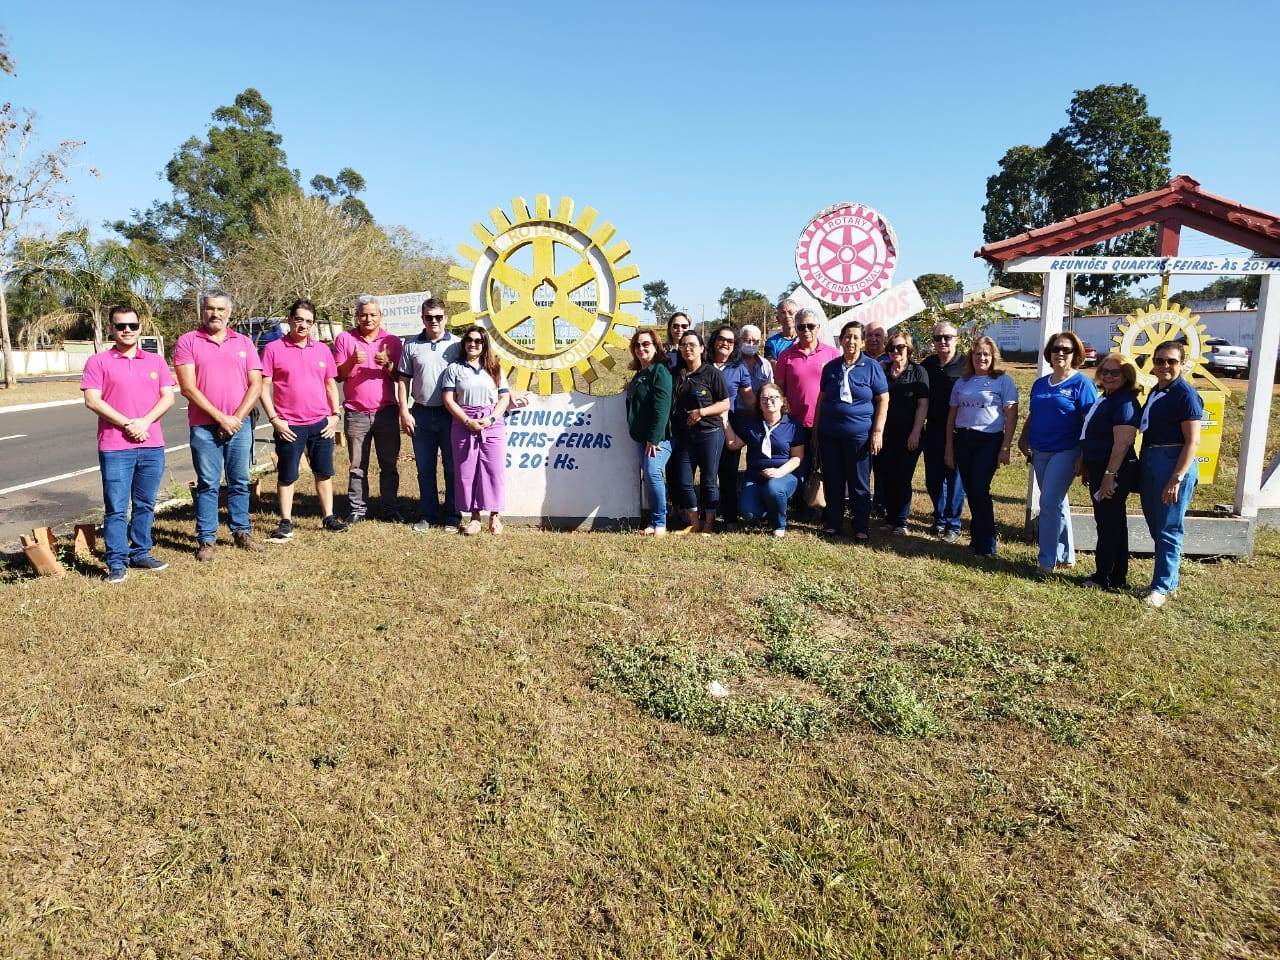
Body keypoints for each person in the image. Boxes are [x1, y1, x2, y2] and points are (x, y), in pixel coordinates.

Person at [80, 305, 177, 582]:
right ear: (111, 328)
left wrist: (144, 422)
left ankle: (141, 552)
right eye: (121, 326)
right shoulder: (98, 362)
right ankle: (117, 562)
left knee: (146, 503)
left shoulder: (155, 361)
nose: (127, 331)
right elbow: (92, 400)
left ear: (139, 328)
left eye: (132, 326)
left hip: (151, 444)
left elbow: (168, 397)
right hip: (115, 447)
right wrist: (128, 424)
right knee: (117, 507)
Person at [173, 290, 264, 560]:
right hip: (204, 427)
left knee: (239, 481)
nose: (215, 314)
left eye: (221, 309)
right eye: (210, 308)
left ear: (230, 313)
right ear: (202, 311)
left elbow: (256, 384)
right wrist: (221, 418)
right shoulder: (188, 342)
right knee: (208, 483)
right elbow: (188, 388)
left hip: (240, 425)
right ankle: (206, 540)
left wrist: (235, 419)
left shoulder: (244, 343)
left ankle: (241, 532)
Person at [259, 298, 347, 542]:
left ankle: (329, 517)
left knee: (324, 472)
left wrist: (335, 415)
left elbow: (331, 385)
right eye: (299, 319)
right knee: (287, 475)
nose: (303, 325)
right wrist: (275, 419)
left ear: (313, 324)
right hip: (289, 425)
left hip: (320, 423)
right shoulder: (273, 349)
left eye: (308, 321)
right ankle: (286, 522)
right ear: (289, 320)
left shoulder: (322, 350)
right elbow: (263, 387)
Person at [1018, 331, 1098, 575]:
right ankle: (1066, 555)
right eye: (1056, 349)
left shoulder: (1082, 383)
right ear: (1049, 353)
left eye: (1066, 349)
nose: (1060, 353)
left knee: (1049, 501)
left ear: (1075, 354)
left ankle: (1046, 561)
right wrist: (1023, 437)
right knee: (1057, 502)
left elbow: (1090, 422)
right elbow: (1035, 413)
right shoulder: (1041, 383)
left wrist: (1084, 456)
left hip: (1067, 450)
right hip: (1040, 450)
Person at [1137, 340, 1203, 608]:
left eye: (1171, 361)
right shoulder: (1156, 391)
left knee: (1169, 527)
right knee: (1155, 523)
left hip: (1173, 461)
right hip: (1151, 458)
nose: (1165, 365)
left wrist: (1176, 478)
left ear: (1182, 364)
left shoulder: (1185, 395)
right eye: (1160, 360)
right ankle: (1170, 580)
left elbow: (1193, 441)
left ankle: (1161, 587)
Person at [813, 320, 888, 541]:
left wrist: (878, 431)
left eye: (856, 337)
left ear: (862, 341)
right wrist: (816, 431)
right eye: (847, 336)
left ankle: (860, 525)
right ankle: (833, 522)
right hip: (829, 435)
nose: (851, 341)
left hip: (859, 436)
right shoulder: (831, 367)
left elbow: (883, 399)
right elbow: (822, 400)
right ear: (841, 340)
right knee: (833, 479)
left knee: (859, 482)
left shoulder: (872, 367)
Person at [944, 336, 1019, 557]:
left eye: (986, 354)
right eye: (977, 354)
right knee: (972, 491)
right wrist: (949, 447)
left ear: (993, 357)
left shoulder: (1003, 381)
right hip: (963, 440)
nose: (982, 358)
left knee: (979, 489)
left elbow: (1012, 415)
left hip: (989, 441)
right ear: (971, 357)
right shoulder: (962, 381)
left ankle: (987, 545)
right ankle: (977, 539)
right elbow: (951, 416)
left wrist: (1006, 447)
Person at [334, 294, 403, 523]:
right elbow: (339, 376)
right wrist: (352, 361)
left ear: (380, 316)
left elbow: (399, 378)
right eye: (364, 314)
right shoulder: (345, 339)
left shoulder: (392, 340)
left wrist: (388, 364)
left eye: (373, 314)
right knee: (357, 466)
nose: (368, 318)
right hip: (356, 412)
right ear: (357, 316)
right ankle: (357, 509)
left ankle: (390, 509)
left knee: (389, 465)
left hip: (386, 412)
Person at [397, 297, 463, 532]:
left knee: (452, 467)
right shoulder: (411, 345)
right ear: (422, 318)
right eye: (429, 317)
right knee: (424, 468)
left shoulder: (457, 344)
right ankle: (428, 514)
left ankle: (453, 515)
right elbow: (403, 380)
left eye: (438, 317)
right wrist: (404, 411)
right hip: (421, 414)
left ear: (445, 318)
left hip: (450, 415)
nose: (433, 321)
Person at [1077, 355, 1140, 591]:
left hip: (1115, 471)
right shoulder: (1107, 398)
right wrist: (1087, 463)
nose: (1109, 376)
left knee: (1108, 525)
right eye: (1105, 371)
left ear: (1126, 376)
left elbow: (1122, 444)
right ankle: (1116, 576)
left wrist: (1108, 475)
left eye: (1115, 373)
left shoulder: (1124, 402)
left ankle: (1103, 576)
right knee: (1112, 522)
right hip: (1099, 468)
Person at [441, 325, 511, 535]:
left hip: (492, 423)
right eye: (469, 340)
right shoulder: (454, 368)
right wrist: (466, 421)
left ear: (484, 345)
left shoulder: (495, 368)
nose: (473, 344)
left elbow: (504, 397)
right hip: (464, 422)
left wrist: (490, 418)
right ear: (464, 343)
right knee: (467, 470)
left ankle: (495, 516)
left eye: (478, 341)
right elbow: (448, 399)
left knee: (493, 469)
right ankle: (474, 517)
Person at [723, 382, 805, 537]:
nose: (769, 401)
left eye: (774, 397)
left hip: (784, 476)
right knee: (749, 514)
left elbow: (797, 457)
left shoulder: (792, 425)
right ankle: (768, 511)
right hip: (755, 476)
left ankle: (779, 524)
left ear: (782, 401)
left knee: (773, 488)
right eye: (764, 399)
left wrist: (779, 472)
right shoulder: (752, 424)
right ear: (759, 404)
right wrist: (724, 420)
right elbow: (733, 445)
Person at [670, 331, 730, 534]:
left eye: (693, 345)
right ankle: (694, 523)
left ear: (702, 349)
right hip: (685, 436)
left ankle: (709, 524)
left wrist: (701, 412)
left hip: (710, 433)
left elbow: (725, 403)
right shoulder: (677, 374)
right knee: (685, 481)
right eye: (684, 345)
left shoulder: (712, 373)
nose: (688, 349)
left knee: (709, 480)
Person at [876, 329, 930, 536]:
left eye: (900, 347)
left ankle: (901, 521)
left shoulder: (918, 372)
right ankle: (890, 519)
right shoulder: (883, 370)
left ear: (908, 348)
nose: (895, 351)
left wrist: (916, 432)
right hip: (885, 434)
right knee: (886, 475)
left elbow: (922, 405)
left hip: (908, 434)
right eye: (891, 348)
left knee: (903, 476)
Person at [921, 321, 967, 542]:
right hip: (933, 429)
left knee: (955, 479)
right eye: (938, 338)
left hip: (959, 431)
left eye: (947, 337)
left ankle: (953, 524)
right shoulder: (927, 364)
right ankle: (939, 518)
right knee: (933, 479)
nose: (942, 341)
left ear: (956, 339)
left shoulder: (967, 365)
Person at [625, 328, 673, 535]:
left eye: (646, 344)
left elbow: (661, 408)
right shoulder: (639, 374)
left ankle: (661, 522)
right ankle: (653, 521)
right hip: (640, 438)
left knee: (653, 473)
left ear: (656, 347)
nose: (641, 348)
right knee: (648, 477)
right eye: (637, 344)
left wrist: (654, 439)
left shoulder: (659, 372)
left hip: (658, 439)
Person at [774, 308, 839, 437]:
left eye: (810, 326)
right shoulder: (786, 356)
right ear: (796, 329)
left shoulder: (833, 354)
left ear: (818, 328)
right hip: (795, 424)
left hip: (826, 422)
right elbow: (779, 390)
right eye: (801, 327)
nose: (806, 330)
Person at [708, 324, 743, 525]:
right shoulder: (703, 365)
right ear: (714, 341)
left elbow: (748, 398)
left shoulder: (738, 369)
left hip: (729, 424)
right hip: (704, 426)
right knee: (708, 473)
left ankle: (730, 518)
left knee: (728, 474)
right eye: (722, 339)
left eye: (730, 341)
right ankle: (707, 515)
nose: (725, 344)